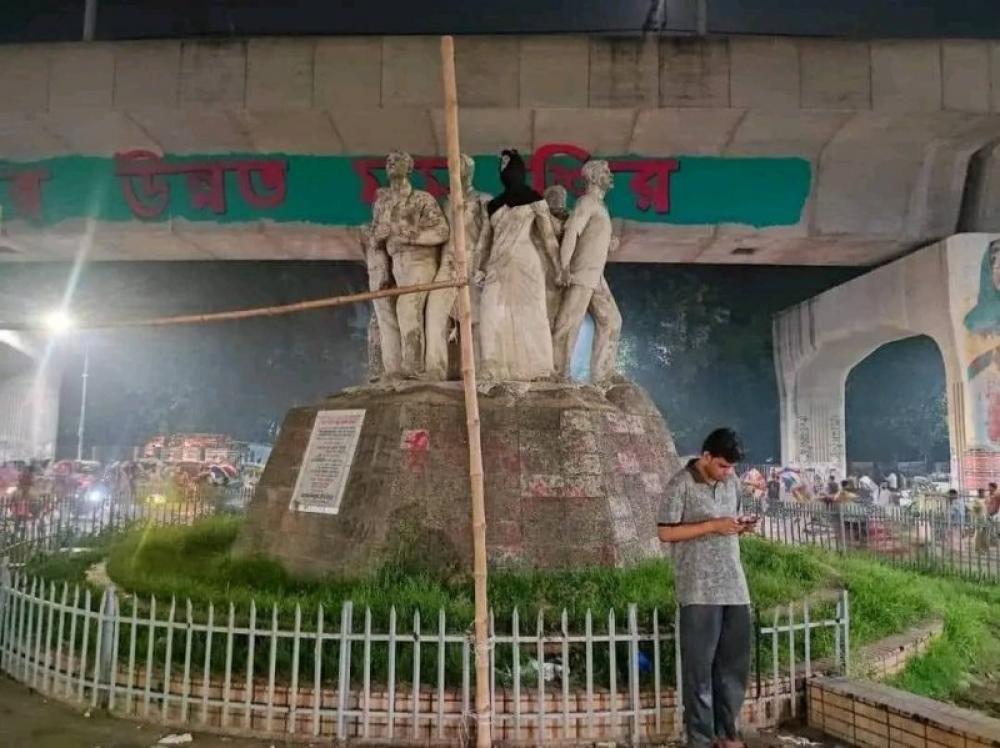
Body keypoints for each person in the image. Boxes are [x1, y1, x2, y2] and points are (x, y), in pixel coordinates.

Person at [657, 428, 756, 748]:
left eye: (732, 468)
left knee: (733, 667)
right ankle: (700, 739)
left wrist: (739, 527)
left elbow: (730, 519)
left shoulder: (732, 483)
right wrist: (713, 525)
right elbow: (665, 533)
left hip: (735, 586)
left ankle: (727, 733)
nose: (728, 473)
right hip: (698, 589)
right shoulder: (680, 484)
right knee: (699, 670)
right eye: (723, 466)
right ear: (706, 456)